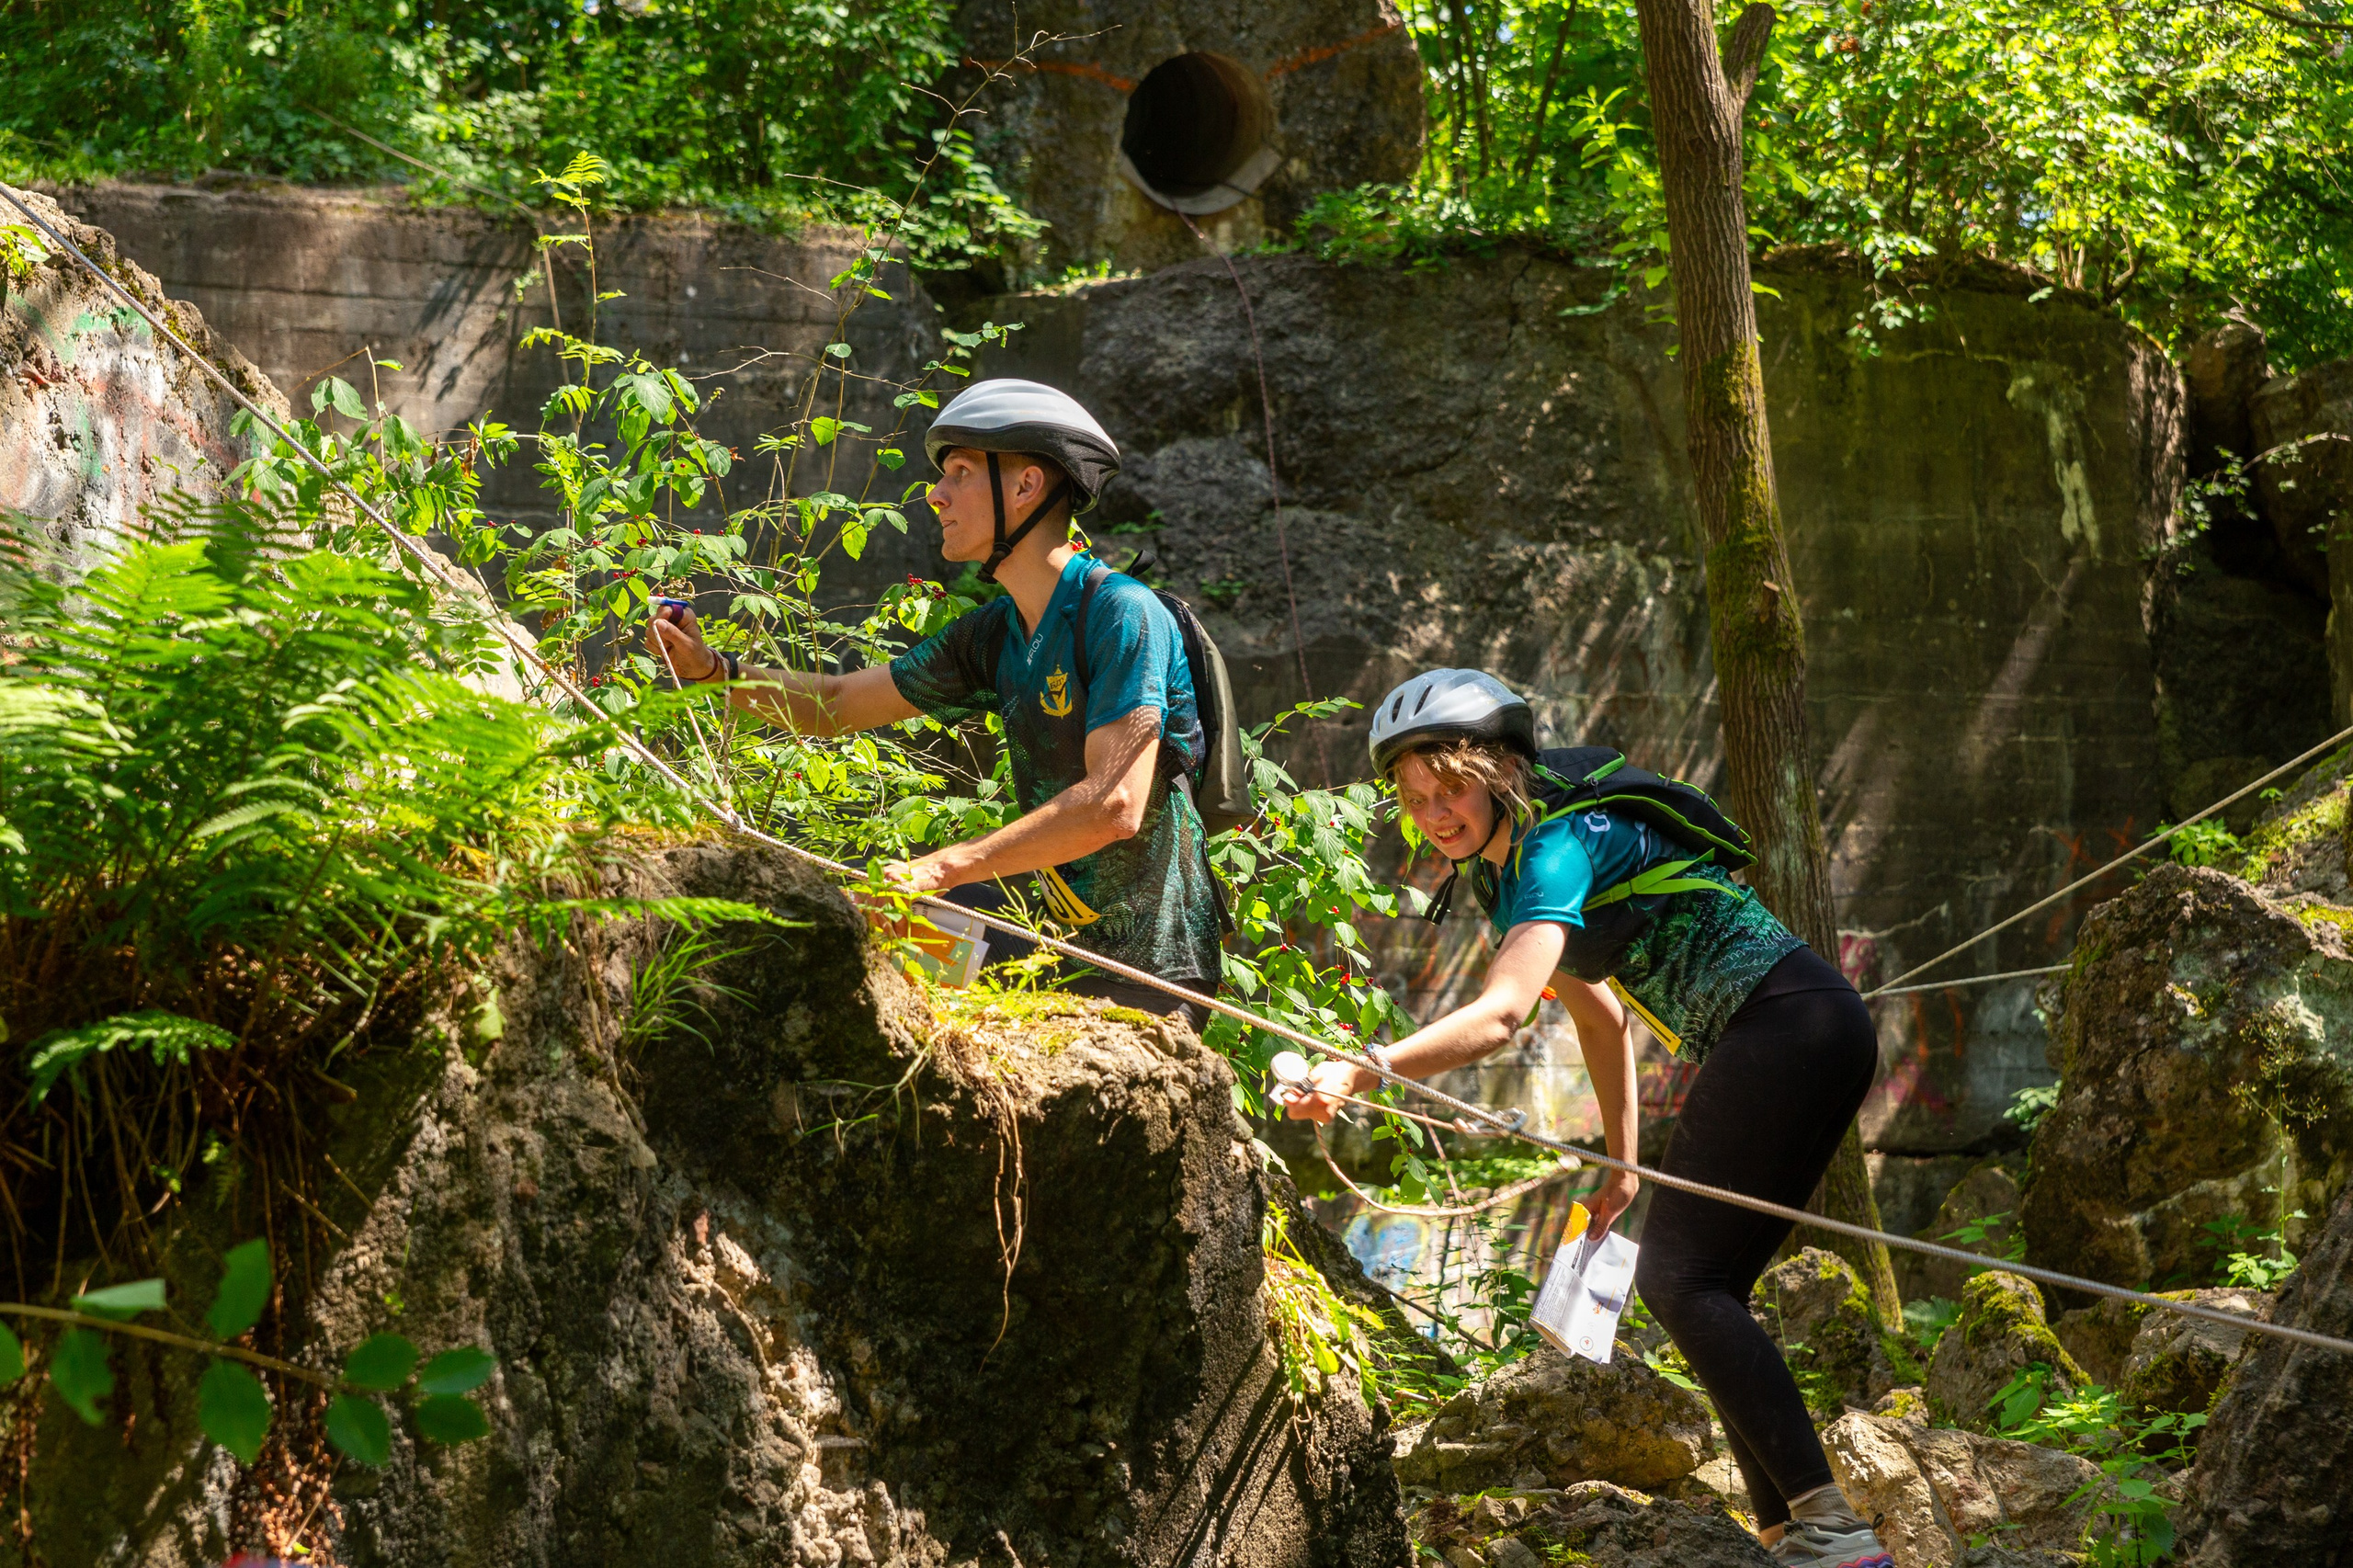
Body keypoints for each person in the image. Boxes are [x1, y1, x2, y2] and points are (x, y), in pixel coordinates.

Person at [1284, 669, 1893, 1568]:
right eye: (1414, 798)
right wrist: (1622, 1165)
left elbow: (1500, 1013)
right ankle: (1789, 1532)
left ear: (1497, 769)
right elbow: (1598, 1014)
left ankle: (1830, 1527)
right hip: (1804, 1028)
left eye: (1449, 786)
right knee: (1702, 1287)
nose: (1435, 813)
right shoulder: (1514, 869)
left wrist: (1363, 1067)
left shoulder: (1556, 847)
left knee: (1682, 1279)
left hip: (1787, 1025)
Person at [646, 378, 1223, 1028]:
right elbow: (835, 704)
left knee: (917, 898)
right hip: (1057, 951)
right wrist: (711, 670)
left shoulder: (1122, 614)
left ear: (1027, 487)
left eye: (960, 472)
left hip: (1150, 974)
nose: (936, 493)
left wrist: (940, 868)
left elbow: (1113, 806)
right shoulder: (995, 634)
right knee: (870, 916)